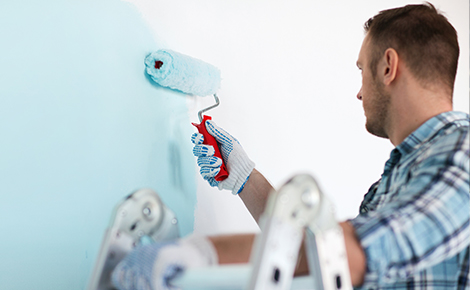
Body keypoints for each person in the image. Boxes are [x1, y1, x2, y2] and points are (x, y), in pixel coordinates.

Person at [111, 3, 469, 289]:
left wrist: (199, 254)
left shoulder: (463, 153)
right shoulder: (402, 175)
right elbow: (317, 255)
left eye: (362, 71)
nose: (359, 92)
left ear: (388, 66)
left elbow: (346, 254)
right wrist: (243, 176)